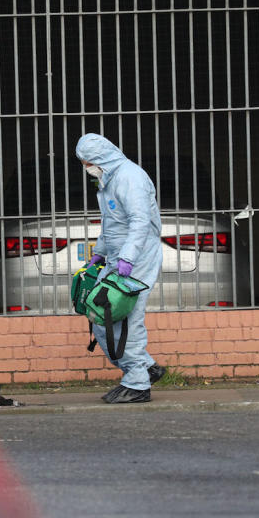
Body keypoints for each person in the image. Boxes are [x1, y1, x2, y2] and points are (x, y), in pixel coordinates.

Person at [75, 133, 166, 403]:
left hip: (136, 257)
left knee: (124, 317)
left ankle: (138, 383)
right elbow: (111, 224)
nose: (86, 167)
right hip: (119, 257)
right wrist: (100, 254)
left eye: (87, 162)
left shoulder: (130, 177)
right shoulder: (109, 179)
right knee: (100, 312)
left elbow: (140, 221)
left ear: (100, 158)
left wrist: (127, 257)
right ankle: (145, 368)